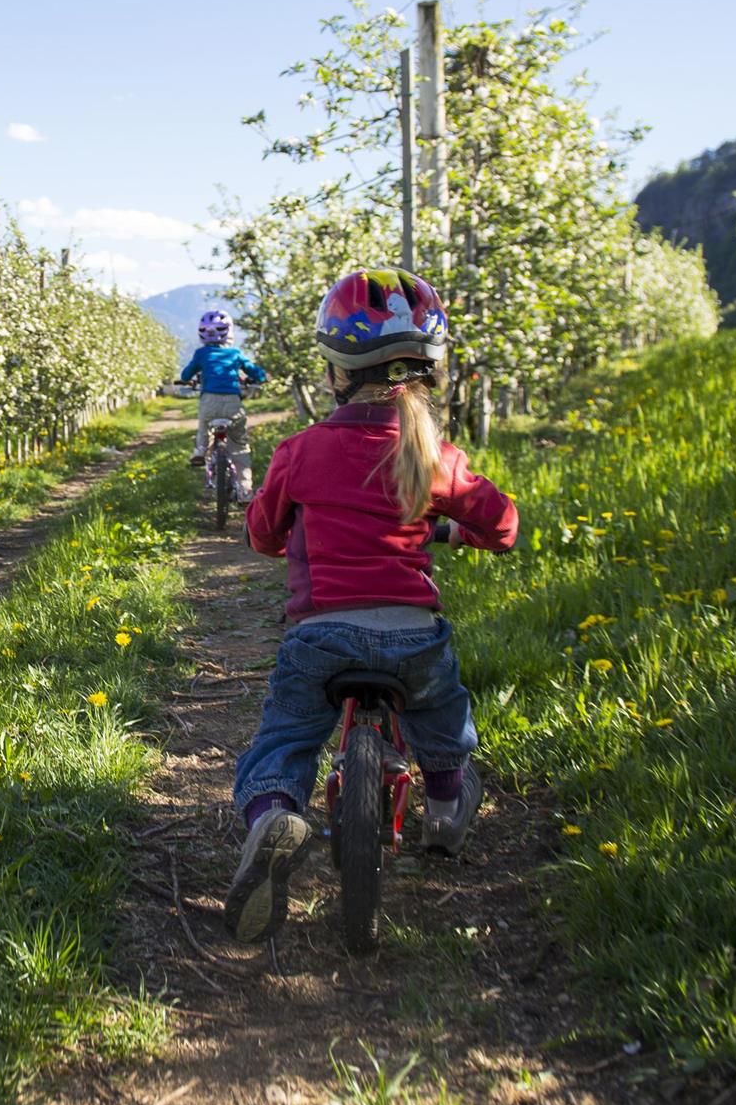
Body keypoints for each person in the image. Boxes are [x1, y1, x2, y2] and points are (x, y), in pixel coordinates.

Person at [221, 268, 517, 944]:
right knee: (444, 731)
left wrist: (284, 529)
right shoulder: (432, 455)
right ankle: (444, 809)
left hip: (320, 636)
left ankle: (272, 813)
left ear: (334, 373)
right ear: (423, 377)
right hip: (414, 639)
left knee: (286, 738)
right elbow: (502, 525)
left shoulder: (300, 452)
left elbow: (264, 534)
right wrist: (460, 527)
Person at [177, 309, 267, 498]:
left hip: (209, 401)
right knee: (239, 445)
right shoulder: (235, 353)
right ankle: (244, 490)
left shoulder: (201, 354)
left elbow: (185, 375)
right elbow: (255, 372)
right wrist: (260, 377)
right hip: (233, 403)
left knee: (203, 426)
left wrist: (187, 379)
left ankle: (200, 450)